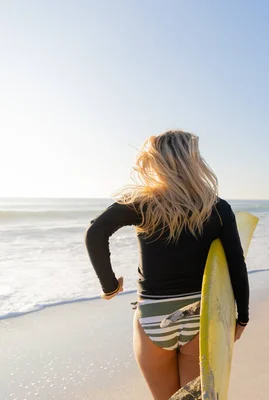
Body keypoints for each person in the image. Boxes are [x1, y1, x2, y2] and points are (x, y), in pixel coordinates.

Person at [84, 130, 249, 400]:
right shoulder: (217, 208)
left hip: (153, 316)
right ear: (194, 160)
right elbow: (235, 266)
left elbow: (95, 233)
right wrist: (242, 317)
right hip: (200, 316)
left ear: (156, 162)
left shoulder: (142, 203)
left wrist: (110, 286)